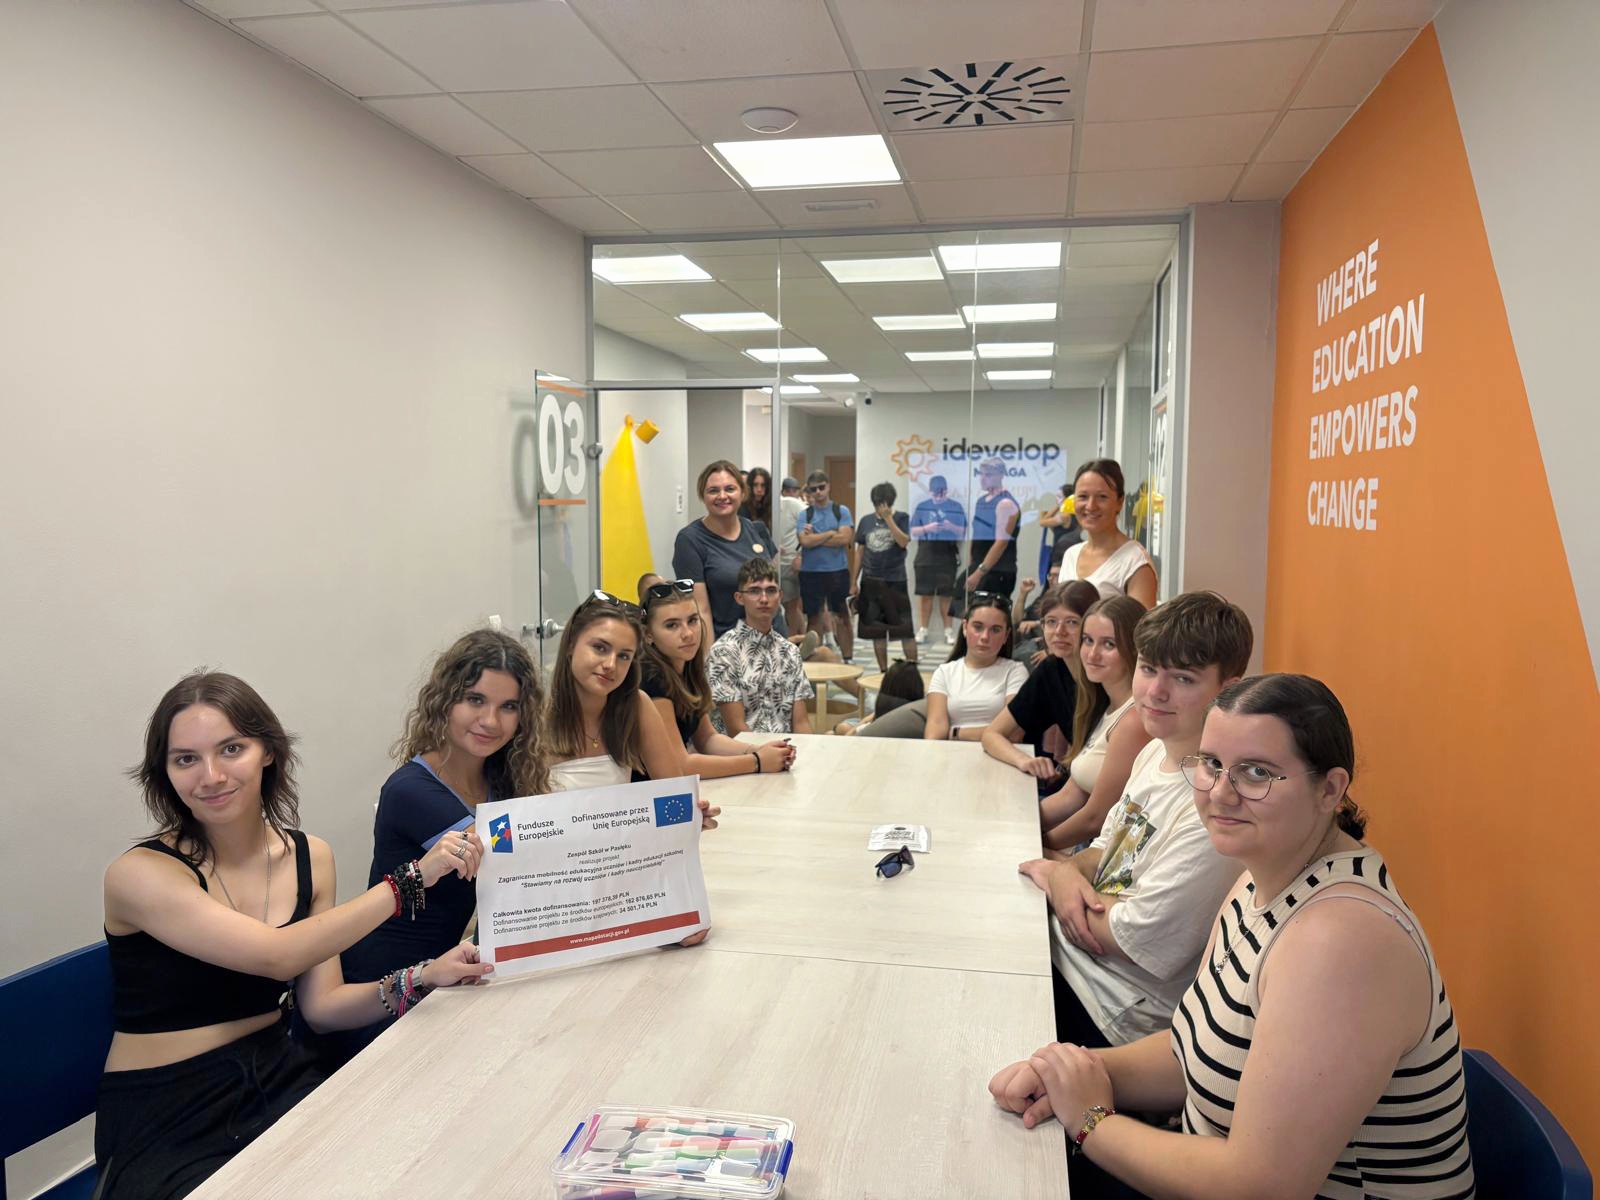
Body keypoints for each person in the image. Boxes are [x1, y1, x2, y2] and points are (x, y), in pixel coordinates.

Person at [990, 675, 1474, 1200]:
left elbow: (1261, 1186)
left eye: (1256, 772)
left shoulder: (1341, 941)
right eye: (1212, 763)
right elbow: (1189, 1051)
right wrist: (1067, 1072)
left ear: (1330, 790)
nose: (1220, 793)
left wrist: (1091, 1122)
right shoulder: (1256, 877)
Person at [97, 672, 490, 1199]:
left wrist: (426, 976)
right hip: (168, 1110)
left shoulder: (311, 857)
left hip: (275, 1073)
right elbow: (277, 956)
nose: (211, 776)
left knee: (419, 1160)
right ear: (164, 772)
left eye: (231, 749)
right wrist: (412, 879)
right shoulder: (139, 875)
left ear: (267, 751)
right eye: (185, 759)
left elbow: (323, 1008)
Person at [1017, 591, 1253, 1052]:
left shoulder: (1219, 805)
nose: (1154, 692)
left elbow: (1130, 938)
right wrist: (1064, 874)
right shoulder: (1153, 753)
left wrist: (1060, 879)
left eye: (1182, 678)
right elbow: (1100, 852)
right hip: (1070, 956)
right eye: (1148, 669)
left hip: (1113, 1012)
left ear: (1227, 690)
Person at [337, 629, 546, 1061]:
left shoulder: (502, 780)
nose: (491, 721)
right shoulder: (411, 790)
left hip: (448, 976)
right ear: (445, 701)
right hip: (385, 991)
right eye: (475, 700)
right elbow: (525, 864)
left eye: (508, 706)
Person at [639, 577, 796, 777]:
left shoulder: (687, 668)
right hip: (644, 792)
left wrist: (759, 750)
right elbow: (680, 767)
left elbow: (707, 739)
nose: (688, 633)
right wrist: (757, 761)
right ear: (648, 634)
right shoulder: (651, 678)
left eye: (692, 620)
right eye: (672, 625)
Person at [1039, 597, 1151, 851]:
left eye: (1108, 644)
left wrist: (1034, 845)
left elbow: (1096, 818)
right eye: (1088, 640)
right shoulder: (1104, 706)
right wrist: (1018, 822)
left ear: (1135, 650)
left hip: (1101, 852)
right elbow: (1071, 795)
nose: (1092, 654)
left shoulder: (1134, 720)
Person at [980, 580, 1100, 779]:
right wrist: (1024, 760)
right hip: (1080, 781)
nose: (1059, 632)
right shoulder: (1051, 670)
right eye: (1051, 621)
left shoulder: (1105, 674)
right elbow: (992, 735)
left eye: (1072, 622)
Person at [673, 460, 780, 640]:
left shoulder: (758, 530)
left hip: (773, 637)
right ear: (703, 496)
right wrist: (710, 656)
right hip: (729, 645)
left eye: (730, 489)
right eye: (713, 490)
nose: (722, 496)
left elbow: (774, 589)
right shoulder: (690, 540)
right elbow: (700, 611)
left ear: (742, 493)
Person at [708, 557, 815, 736]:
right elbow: (736, 730)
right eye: (754, 591)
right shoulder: (724, 651)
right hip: (741, 749)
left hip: (788, 747)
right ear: (739, 598)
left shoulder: (790, 652)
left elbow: (801, 723)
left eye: (771, 591)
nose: (764, 599)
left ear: (780, 596)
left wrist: (807, 750)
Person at [924, 592, 1029, 742]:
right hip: (951, 752)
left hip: (1000, 753)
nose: (985, 637)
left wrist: (955, 733)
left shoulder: (1015, 672)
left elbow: (1014, 733)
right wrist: (996, 732)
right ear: (965, 628)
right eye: (978, 627)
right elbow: (935, 732)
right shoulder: (944, 672)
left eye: (995, 630)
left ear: (1006, 635)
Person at [1058, 459, 1157, 607]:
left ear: (1119, 502)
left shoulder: (1135, 562)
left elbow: (1144, 622)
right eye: (1083, 497)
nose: (1091, 506)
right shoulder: (1071, 555)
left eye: (1102, 497)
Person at [853, 481, 916, 671]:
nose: (880, 508)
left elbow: (903, 542)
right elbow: (860, 552)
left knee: (905, 631)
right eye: (877, 504)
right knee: (877, 632)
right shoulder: (866, 521)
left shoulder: (902, 518)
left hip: (895, 581)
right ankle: (882, 672)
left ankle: (912, 670)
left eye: (883, 504)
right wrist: (853, 581)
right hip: (871, 581)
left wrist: (889, 519)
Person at [797, 469, 854, 661]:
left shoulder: (841, 511)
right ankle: (814, 661)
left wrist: (816, 537)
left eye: (821, 487)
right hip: (811, 572)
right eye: (813, 489)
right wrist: (830, 533)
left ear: (828, 486)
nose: (818, 492)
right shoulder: (805, 515)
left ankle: (848, 659)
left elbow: (844, 538)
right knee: (814, 618)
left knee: (842, 617)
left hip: (837, 571)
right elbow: (805, 542)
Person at [909, 474, 966, 646]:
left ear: (946, 491)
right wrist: (928, 528)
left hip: (947, 556)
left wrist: (950, 526)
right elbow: (913, 531)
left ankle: (948, 631)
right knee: (925, 595)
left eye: (942, 493)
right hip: (925, 556)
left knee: (946, 595)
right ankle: (923, 629)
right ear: (930, 492)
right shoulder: (922, 506)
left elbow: (962, 531)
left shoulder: (955, 507)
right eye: (936, 493)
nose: (939, 497)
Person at [963, 457, 1021, 599]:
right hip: (980, 565)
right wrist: (972, 566)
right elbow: (977, 537)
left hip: (997, 570)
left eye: (988, 475)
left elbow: (1001, 543)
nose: (983, 479)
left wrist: (979, 573)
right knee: (963, 606)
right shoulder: (981, 501)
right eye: (981, 474)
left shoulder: (1005, 503)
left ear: (1001, 475)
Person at [837, 659, 926, 736]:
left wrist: (864, 722)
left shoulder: (872, 729)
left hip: (871, 729)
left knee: (840, 728)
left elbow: (850, 736)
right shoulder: (921, 711)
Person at [775, 476, 807, 634]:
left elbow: (809, 528)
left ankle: (794, 641)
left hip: (790, 562)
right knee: (788, 606)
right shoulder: (770, 507)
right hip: (776, 562)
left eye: (794, 490)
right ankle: (802, 638)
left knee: (791, 606)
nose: (792, 493)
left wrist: (800, 555)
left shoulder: (795, 505)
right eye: (789, 490)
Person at [740, 466, 773, 531]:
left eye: (763, 485)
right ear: (750, 486)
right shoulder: (742, 509)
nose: (759, 489)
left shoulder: (770, 507)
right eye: (755, 485)